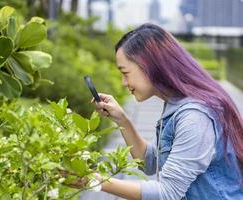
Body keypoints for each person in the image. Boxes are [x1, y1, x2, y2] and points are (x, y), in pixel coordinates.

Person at [91, 23, 243, 200]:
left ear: (149, 66)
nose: (124, 83)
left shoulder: (194, 117)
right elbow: (151, 163)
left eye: (126, 73)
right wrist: (122, 120)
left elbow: (167, 192)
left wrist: (95, 181)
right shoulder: (177, 103)